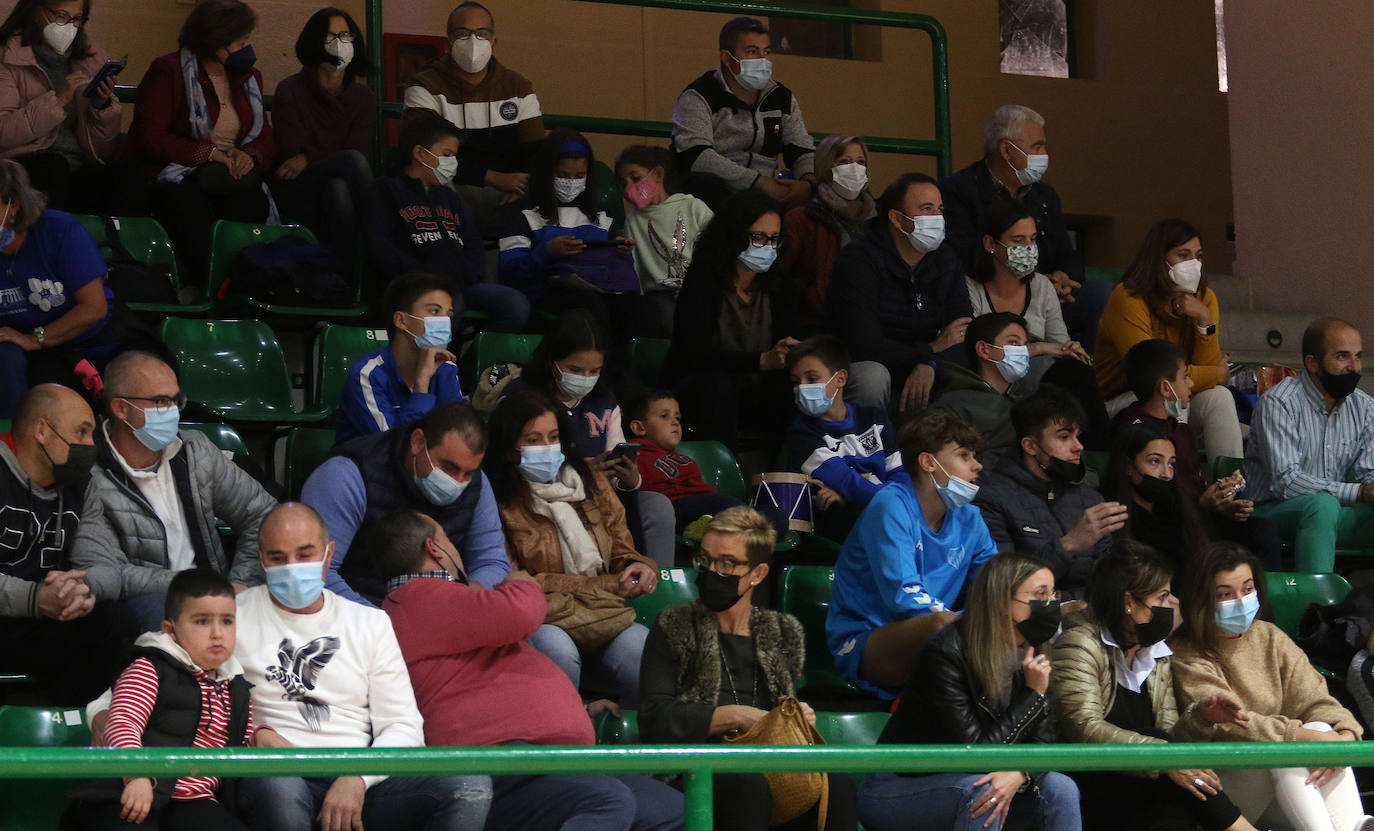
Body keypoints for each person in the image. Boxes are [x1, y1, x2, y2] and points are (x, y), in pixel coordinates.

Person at [373, 508, 686, 831]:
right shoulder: (416, 598)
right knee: (606, 801)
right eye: (448, 539)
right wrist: (520, 583)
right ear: (434, 549)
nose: (455, 548)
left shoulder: (445, 604)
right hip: (503, 762)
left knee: (674, 811)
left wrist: (577, 709)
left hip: (555, 757)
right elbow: (523, 612)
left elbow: (484, 677)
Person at [640, 507, 856, 831]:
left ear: (757, 574)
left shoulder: (782, 631)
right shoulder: (674, 625)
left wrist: (796, 717)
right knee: (747, 784)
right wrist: (737, 715)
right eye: (705, 559)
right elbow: (655, 719)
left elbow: (782, 714)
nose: (711, 571)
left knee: (834, 782)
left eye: (726, 564)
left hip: (768, 761)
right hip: (695, 766)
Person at [857, 553, 1081, 831]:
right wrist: (1032, 696)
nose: (1051, 605)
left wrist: (1020, 772)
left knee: (1061, 788)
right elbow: (974, 756)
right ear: (1001, 603)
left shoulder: (1036, 650)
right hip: (898, 786)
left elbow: (1045, 741)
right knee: (982, 791)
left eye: (1053, 594)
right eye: (1040, 595)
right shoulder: (947, 654)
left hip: (974, 779)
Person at [1051, 543, 1258, 831]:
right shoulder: (1079, 643)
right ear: (1128, 602)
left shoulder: (1155, 652)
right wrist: (1160, 757)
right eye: (1162, 596)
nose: (1172, 603)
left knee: (1176, 796)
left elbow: (1170, 733)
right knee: (1162, 753)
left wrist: (1201, 718)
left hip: (1145, 785)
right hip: (1092, 780)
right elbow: (1082, 728)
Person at [1172, 541, 1374, 831]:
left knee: (1318, 729)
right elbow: (1233, 724)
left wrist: (1343, 738)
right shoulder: (1186, 652)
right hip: (1222, 789)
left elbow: (1317, 700)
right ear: (1200, 599)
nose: (1241, 601)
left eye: (1247, 588)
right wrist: (1301, 737)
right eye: (1226, 595)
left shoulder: (1269, 636)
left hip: (1286, 790)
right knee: (1286, 746)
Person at [72, 350, 276, 632]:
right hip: (143, 605)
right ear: (121, 409)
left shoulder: (195, 450)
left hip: (216, 594)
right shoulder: (87, 474)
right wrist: (198, 588)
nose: (173, 411)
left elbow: (264, 514)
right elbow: (104, 572)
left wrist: (241, 582)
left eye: (176, 400)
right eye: (160, 401)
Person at [63, 571, 280, 831]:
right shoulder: (148, 667)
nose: (217, 634)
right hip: (125, 791)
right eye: (201, 621)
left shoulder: (235, 685)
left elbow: (232, 742)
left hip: (194, 802)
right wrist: (138, 775)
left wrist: (258, 735)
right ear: (170, 629)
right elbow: (122, 722)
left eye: (227, 622)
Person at [483, 388, 659, 706]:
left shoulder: (591, 482)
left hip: (600, 612)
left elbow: (621, 547)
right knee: (558, 652)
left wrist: (639, 566)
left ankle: (635, 747)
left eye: (553, 437)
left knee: (645, 654)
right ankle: (566, 744)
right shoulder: (496, 499)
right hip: (543, 617)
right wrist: (600, 584)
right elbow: (514, 580)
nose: (547, 448)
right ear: (510, 449)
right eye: (533, 440)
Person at [826, 410, 997, 698]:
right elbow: (903, 595)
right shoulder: (890, 504)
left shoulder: (971, 518)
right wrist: (973, 625)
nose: (977, 465)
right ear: (928, 462)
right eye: (964, 455)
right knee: (942, 626)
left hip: (939, 632)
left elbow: (998, 582)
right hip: (866, 641)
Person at [505, 309, 676, 566]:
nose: (585, 379)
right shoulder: (522, 397)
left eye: (594, 371)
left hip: (598, 495)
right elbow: (507, 462)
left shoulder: (605, 401)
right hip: (539, 495)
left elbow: (615, 458)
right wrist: (581, 470)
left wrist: (629, 478)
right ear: (552, 360)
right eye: (575, 369)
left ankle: (653, 587)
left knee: (656, 505)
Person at [302, 401, 511, 607]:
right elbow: (317, 572)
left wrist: (465, 604)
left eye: (468, 473)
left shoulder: (476, 482)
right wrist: (382, 624)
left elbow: (492, 561)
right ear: (418, 442)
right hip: (362, 619)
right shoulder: (345, 475)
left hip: (446, 613)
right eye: (448, 467)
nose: (458, 481)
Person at [0, 384, 133, 704]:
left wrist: (83, 591)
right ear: (42, 431)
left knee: (114, 621)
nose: (91, 445)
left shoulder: (82, 486)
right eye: (82, 433)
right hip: (21, 604)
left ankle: (55, 726)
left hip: (36, 621)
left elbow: (105, 563)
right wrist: (34, 598)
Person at [940, 105, 1108, 351]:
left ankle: (1088, 371)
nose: (1045, 154)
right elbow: (960, 254)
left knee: (1100, 293)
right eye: (1037, 146)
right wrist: (1024, 280)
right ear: (1007, 150)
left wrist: (1062, 277)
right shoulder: (959, 191)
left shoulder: (1045, 196)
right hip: (990, 297)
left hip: (1047, 296)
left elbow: (1067, 252)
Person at [131, 0, 276, 285]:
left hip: (230, 174)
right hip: (178, 173)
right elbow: (150, 137)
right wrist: (207, 154)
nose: (245, 49)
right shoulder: (169, 71)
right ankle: (200, 286)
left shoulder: (249, 78)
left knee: (251, 203)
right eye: (239, 42)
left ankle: (238, 287)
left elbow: (265, 136)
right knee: (189, 206)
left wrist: (249, 155)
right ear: (215, 41)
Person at [1117, 339, 1281, 568]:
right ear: (1166, 388)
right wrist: (1200, 505)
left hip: (1196, 516)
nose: (1191, 383)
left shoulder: (1180, 430)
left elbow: (1194, 485)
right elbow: (1153, 496)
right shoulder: (1134, 428)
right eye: (1185, 377)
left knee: (1261, 531)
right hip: (1161, 525)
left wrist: (1221, 504)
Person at [1094, 218, 1243, 460]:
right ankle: (1178, 488)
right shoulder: (1129, 298)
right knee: (1170, 393)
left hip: (1179, 394)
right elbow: (1151, 376)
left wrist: (1204, 321)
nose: (1193, 264)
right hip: (1124, 402)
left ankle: (1229, 487)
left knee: (1220, 397)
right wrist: (1215, 374)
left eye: (1198, 256)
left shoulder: (1205, 299)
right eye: (1183, 255)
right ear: (1159, 259)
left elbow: (1207, 372)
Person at [661, 189, 800, 449]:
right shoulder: (703, 283)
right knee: (716, 387)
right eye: (758, 237)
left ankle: (785, 479)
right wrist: (760, 360)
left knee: (799, 389)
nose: (767, 247)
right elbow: (694, 354)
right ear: (733, 236)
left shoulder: (782, 287)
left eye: (774, 240)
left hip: (757, 390)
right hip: (701, 388)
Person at [367, 111, 529, 333]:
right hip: (415, 287)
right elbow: (380, 244)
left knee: (515, 305)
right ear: (420, 153)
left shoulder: (450, 197)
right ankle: (439, 363)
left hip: (460, 284)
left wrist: (469, 273)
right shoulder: (386, 190)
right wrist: (419, 276)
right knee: (447, 308)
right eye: (447, 154)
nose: (452, 163)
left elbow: (472, 241)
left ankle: (471, 355)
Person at [825, 173, 973, 415]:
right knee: (873, 376)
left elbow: (962, 330)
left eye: (940, 209)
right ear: (896, 218)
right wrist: (930, 350)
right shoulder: (859, 260)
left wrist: (930, 363)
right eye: (926, 209)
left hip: (924, 366)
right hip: (860, 368)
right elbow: (865, 345)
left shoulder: (947, 258)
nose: (936, 218)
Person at [0, 159, 129, 418]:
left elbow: (94, 308)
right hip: (42, 353)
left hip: (97, 338)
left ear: (13, 206)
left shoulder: (58, 230)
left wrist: (33, 339)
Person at [1245, 317, 1374, 573]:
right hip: (1273, 512)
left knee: (1329, 507)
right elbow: (1287, 482)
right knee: (1323, 505)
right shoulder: (1279, 403)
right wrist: (1359, 493)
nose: (1355, 367)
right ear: (1312, 363)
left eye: (1358, 357)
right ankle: (1315, 608)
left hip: (1335, 514)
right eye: (1342, 357)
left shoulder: (1365, 406)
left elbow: (1369, 474)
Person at [403, 0, 545, 233]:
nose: (473, 42)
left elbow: (536, 150)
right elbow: (425, 156)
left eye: (481, 34)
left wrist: (520, 185)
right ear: (447, 42)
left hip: (509, 192)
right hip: (449, 188)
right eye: (462, 33)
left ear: (494, 42)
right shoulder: (424, 87)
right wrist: (493, 178)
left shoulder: (518, 87)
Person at [974, 386, 1128, 598]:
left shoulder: (1090, 498)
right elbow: (1001, 583)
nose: (1078, 447)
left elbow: (1109, 582)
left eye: (1078, 436)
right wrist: (1068, 545)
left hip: (1088, 615)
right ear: (1030, 446)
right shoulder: (991, 498)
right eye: (1064, 437)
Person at [0, 0, 140, 215]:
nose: (69, 26)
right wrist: (57, 100)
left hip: (76, 164)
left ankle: (113, 246)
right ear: (36, 10)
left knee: (127, 175)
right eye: (61, 16)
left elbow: (101, 151)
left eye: (76, 19)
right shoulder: (7, 55)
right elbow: (4, 132)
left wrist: (100, 106)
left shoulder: (92, 58)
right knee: (53, 167)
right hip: (21, 165)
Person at [671, 16, 815, 211]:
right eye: (752, 52)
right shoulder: (698, 96)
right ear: (727, 58)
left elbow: (801, 149)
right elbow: (697, 156)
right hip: (718, 191)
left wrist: (808, 183)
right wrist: (759, 183)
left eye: (767, 52)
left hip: (769, 193)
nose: (762, 60)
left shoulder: (781, 97)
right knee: (705, 185)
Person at [497, 128, 636, 330]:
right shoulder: (521, 213)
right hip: (546, 294)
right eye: (563, 175)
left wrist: (624, 253)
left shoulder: (603, 215)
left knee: (641, 308)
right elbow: (510, 272)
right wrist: (547, 253)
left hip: (603, 288)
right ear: (547, 172)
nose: (571, 182)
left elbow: (619, 265)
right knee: (590, 306)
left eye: (579, 176)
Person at [270, 7, 374, 262]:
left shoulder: (362, 96)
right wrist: (307, 158)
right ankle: (380, 233)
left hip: (342, 187)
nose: (340, 43)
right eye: (330, 37)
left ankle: (348, 278)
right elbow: (290, 152)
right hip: (298, 188)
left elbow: (360, 148)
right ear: (315, 41)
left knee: (338, 187)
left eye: (346, 36)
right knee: (350, 162)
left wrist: (309, 156)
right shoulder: (290, 90)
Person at [783, 334, 906, 540]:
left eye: (811, 379)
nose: (802, 388)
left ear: (840, 378)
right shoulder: (801, 433)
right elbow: (847, 482)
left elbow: (900, 474)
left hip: (877, 508)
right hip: (835, 523)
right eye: (796, 382)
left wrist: (850, 498)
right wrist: (898, 503)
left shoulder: (874, 418)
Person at [335, 272, 464, 444]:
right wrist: (422, 382)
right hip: (369, 468)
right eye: (434, 311)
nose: (444, 322)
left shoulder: (446, 369)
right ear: (401, 320)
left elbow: (457, 439)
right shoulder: (367, 375)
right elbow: (396, 448)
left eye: (448, 315)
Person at [775, 135, 876, 330]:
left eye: (860, 162)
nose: (854, 169)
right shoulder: (801, 218)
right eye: (844, 162)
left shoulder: (875, 218)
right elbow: (780, 278)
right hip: (818, 325)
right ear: (825, 166)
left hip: (870, 320)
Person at [614, 144, 713, 338]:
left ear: (658, 174)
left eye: (635, 178)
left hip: (696, 290)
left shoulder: (693, 207)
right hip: (659, 295)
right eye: (623, 183)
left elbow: (716, 244)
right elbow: (635, 273)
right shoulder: (632, 219)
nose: (628, 188)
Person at [1101, 425, 1210, 580]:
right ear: (1128, 466)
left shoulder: (1179, 509)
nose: (1166, 474)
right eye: (1154, 461)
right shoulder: (1110, 517)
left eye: (1171, 464)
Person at [930, 311, 1031, 458]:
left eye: (1025, 345)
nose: (1023, 351)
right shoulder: (952, 406)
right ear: (984, 350)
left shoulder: (1029, 402)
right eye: (1013, 342)